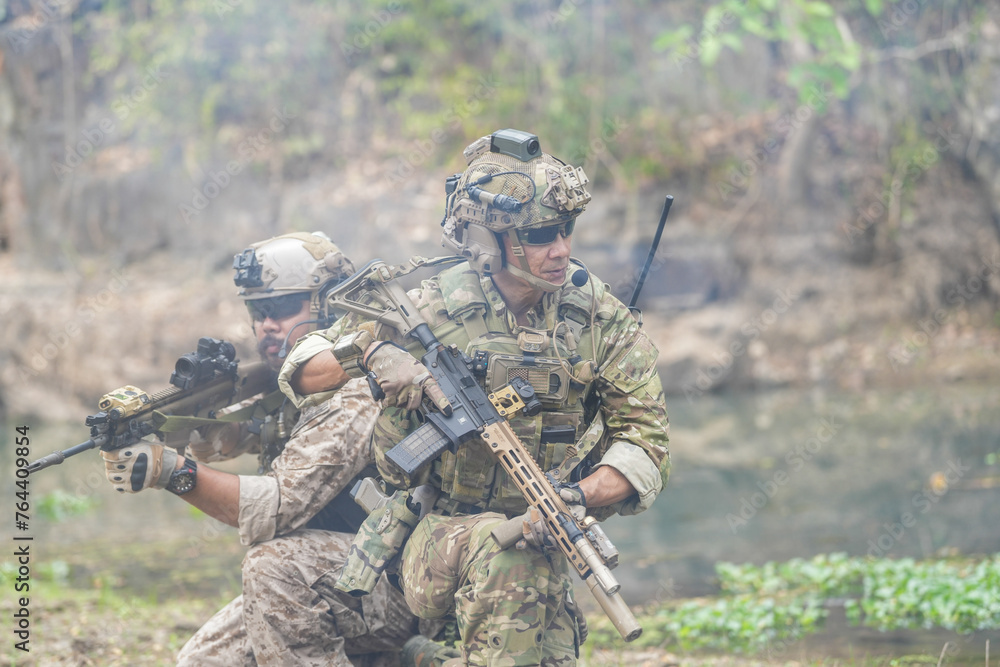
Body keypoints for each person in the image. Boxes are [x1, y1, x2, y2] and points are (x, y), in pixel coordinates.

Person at [281, 130, 671, 666]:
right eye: (540, 235)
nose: (561, 250)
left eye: (566, 230)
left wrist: (577, 497)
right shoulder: (424, 302)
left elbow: (646, 443)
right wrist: (374, 357)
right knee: (508, 556)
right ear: (491, 240)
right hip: (434, 528)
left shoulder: (596, 316)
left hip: (545, 528)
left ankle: (418, 658)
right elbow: (300, 367)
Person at [100, 232, 447, 666]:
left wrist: (171, 471)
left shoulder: (359, 389)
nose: (267, 324)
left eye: (281, 308)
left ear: (329, 305)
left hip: (407, 588)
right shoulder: (292, 382)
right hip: (347, 573)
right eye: (257, 310)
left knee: (271, 567)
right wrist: (166, 424)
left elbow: (275, 509)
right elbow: (232, 435)